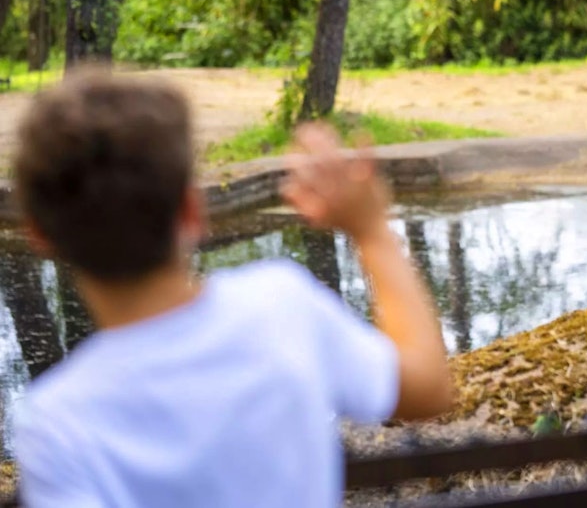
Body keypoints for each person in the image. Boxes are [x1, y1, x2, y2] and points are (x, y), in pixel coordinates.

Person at [11, 67, 453, 507]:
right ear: (192, 211)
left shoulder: (57, 421)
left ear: (39, 235)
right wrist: (372, 231)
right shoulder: (281, 306)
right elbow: (427, 389)